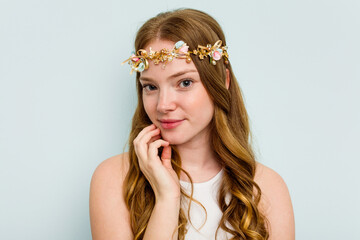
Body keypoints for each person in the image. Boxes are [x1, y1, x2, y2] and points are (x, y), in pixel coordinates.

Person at [89, 8, 294, 240]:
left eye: (184, 82)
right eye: (150, 87)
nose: (163, 105)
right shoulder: (114, 178)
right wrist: (167, 198)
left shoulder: (266, 187)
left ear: (223, 80)